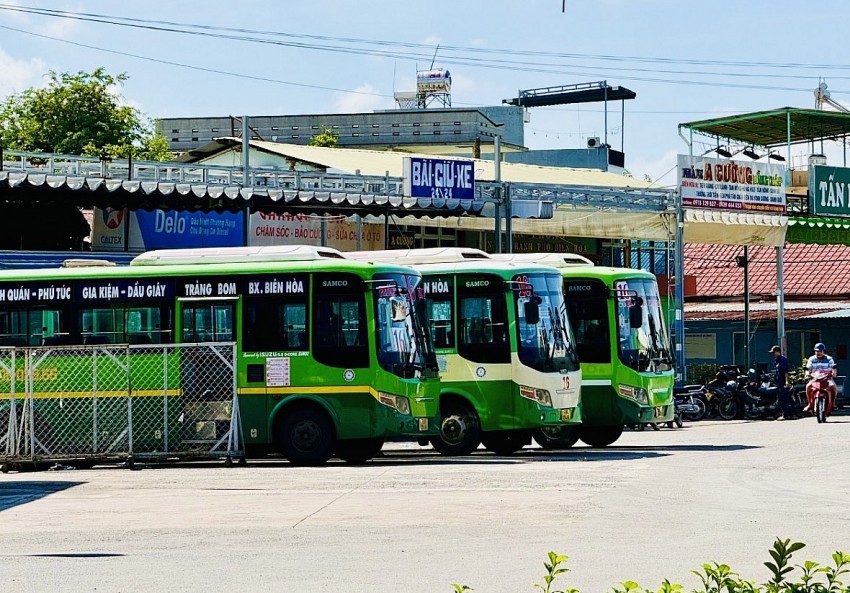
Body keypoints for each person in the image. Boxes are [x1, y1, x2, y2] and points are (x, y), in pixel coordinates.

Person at [804, 343, 838, 415]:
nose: (818, 353)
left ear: (823, 351)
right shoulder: (811, 359)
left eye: (820, 351)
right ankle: (810, 404)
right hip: (815, 379)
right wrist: (807, 373)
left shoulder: (829, 359)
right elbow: (808, 368)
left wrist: (834, 373)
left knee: (834, 387)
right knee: (808, 386)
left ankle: (833, 403)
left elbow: (833, 367)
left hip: (827, 379)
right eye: (816, 351)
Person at [769, 345, 794, 420]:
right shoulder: (777, 360)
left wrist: (787, 382)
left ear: (777, 352)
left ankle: (786, 415)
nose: (773, 354)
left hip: (783, 382)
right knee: (782, 399)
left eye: (774, 352)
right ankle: (789, 414)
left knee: (784, 399)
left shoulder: (782, 359)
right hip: (779, 382)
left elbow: (785, 371)